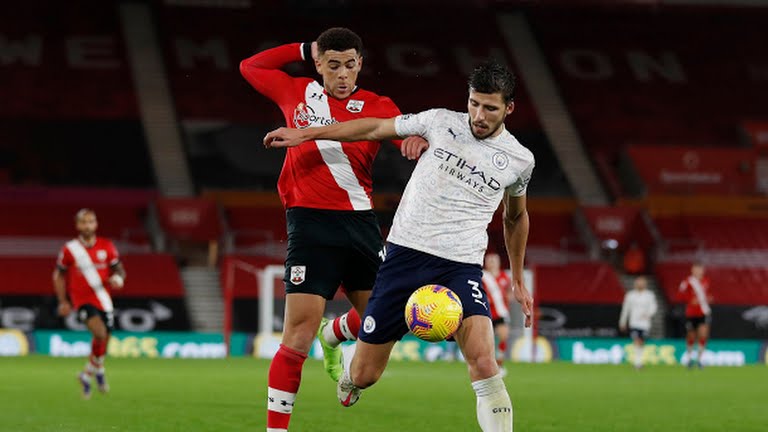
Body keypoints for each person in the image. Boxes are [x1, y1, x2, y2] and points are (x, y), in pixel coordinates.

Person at [265, 60, 534, 431]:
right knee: (364, 374)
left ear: (509, 108)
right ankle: (337, 333)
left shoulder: (520, 160)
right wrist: (309, 133)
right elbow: (374, 126)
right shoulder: (440, 121)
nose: (479, 115)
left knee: (485, 364)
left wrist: (517, 278)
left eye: (490, 107)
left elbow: (515, 218)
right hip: (404, 257)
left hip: (460, 267)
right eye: (474, 103)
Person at [239, 27, 427, 431]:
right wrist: (303, 48)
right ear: (320, 64)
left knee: (388, 326)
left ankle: (337, 332)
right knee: (297, 336)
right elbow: (250, 65)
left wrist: (412, 143)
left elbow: (409, 139)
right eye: (334, 65)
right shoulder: (296, 92)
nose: (343, 74)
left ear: (360, 64)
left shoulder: (379, 104)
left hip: (361, 226)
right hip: (309, 224)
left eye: (351, 65)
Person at [53, 208, 126, 399]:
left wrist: (118, 278)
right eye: (83, 222)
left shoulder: (107, 246)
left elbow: (119, 269)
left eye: (91, 221)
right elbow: (59, 275)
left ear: (96, 224)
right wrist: (62, 300)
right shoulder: (70, 249)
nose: (87, 225)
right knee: (100, 333)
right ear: (77, 225)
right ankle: (96, 371)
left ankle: (89, 374)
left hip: (104, 298)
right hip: (82, 299)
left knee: (105, 340)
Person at [482, 252, 512, 377]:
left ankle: (499, 364)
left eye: (495, 260)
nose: (493, 262)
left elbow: (510, 291)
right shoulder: (483, 276)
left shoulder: (504, 276)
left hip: (501, 313)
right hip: (487, 312)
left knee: (504, 336)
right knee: (486, 342)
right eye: (490, 260)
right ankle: (487, 367)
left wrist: (508, 299)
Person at [678, 262, 713, 369]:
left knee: (703, 334)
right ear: (692, 270)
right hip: (691, 313)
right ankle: (688, 358)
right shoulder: (687, 281)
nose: (698, 271)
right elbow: (679, 295)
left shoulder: (706, 281)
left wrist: (709, 298)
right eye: (696, 269)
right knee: (691, 335)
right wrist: (690, 300)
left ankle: (700, 359)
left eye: (700, 269)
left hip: (704, 312)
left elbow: (708, 295)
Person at [618, 276, 657, 369]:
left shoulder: (649, 295)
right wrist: (622, 321)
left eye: (642, 282)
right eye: (639, 282)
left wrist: (648, 314)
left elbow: (654, 307)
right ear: (635, 284)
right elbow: (626, 309)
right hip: (634, 323)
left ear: (645, 284)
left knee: (641, 342)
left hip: (645, 324)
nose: (640, 284)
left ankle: (639, 361)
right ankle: (638, 363)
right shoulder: (630, 295)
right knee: (636, 341)